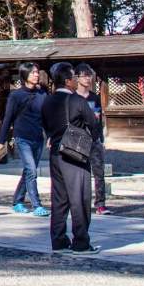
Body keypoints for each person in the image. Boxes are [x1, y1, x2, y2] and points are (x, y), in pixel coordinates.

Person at [42, 62, 99, 254]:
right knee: (79, 197)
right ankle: (81, 242)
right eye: (74, 77)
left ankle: (58, 240)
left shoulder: (48, 101)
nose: (76, 80)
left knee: (59, 198)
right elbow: (93, 124)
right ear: (68, 81)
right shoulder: (77, 100)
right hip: (74, 152)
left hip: (55, 152)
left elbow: (45, 125)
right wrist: (91, 140)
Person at [0, 61, 49, 217]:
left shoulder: (42, 94)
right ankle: (37, 205)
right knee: (31, 170)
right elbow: (8, 118)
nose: (36, 75)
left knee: (28, 171)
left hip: (38, 137)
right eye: (33, 72)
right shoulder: (16, 95)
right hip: (22, 137)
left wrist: (50, 135)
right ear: (25, 75)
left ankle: (18, 201)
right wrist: (1, 141)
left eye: (37, 72)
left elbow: (46, 117)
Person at [75, 63, 110, 216]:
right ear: (77, 78)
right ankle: (80, 203)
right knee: (80, 174)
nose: (87, 79)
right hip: (78, 139)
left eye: (89, 75)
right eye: (84, 76)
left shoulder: (94, 97)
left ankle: (100, 204)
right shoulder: (72, 98)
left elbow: (98, 117)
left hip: (94, 139)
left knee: (99, 173)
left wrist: (101, 139)